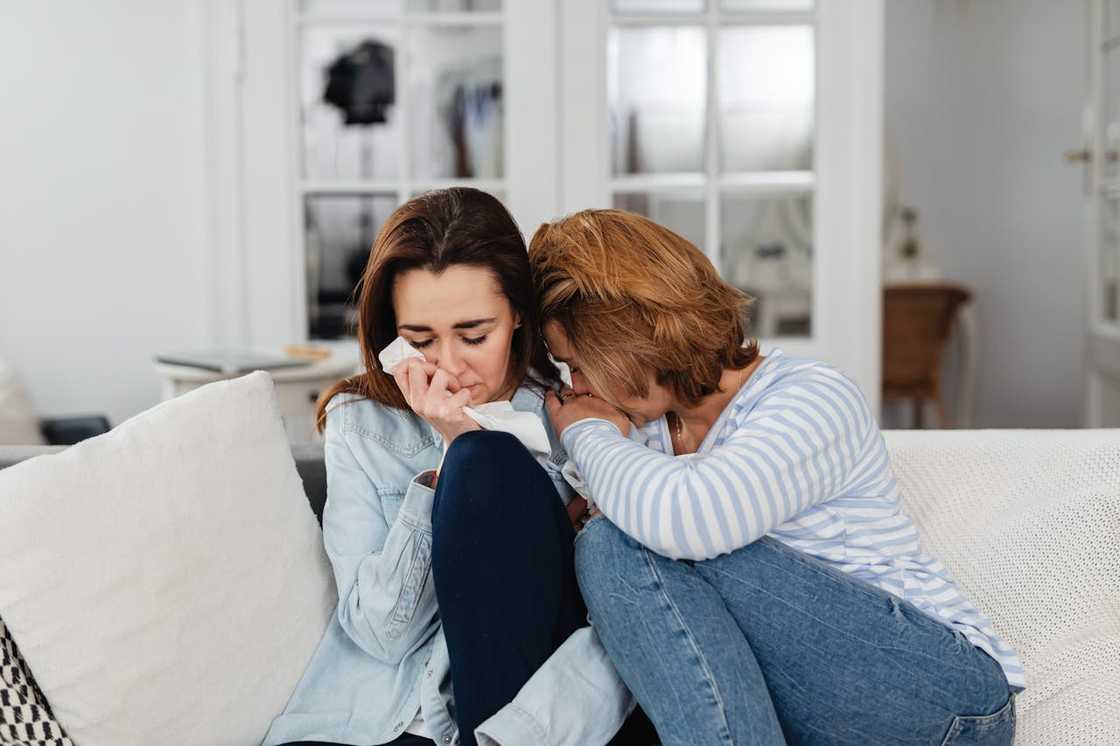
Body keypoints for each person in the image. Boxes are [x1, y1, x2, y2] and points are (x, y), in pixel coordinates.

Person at [528, 209, 1024, 746]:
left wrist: (586, 433)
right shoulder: (642, 433)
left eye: (579, 364)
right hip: (803, 712)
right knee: (607, 545)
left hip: (939, 697)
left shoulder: (811, 398)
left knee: (616, 541)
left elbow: (689, 522)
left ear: (628, 340)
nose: (577, 388)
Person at [262, 190, 652, 746]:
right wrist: (449, 455)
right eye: (420, 340)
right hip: (380, 720)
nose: (448, 366)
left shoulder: (583, 418)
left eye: (474, 336)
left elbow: (632, 615)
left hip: (522, 718)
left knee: (485, 460)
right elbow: (379, 633)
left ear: (518, 313)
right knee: (473, 458)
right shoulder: (361, 425)